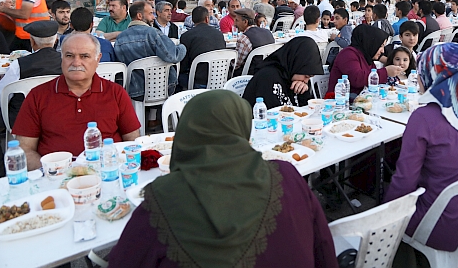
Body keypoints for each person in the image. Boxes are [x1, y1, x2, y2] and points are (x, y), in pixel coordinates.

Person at [108, 90, 337, 268]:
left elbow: (125, 260)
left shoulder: (163, 199)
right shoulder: (286, 176)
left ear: (187, 134)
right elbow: (324, 250)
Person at [386, 43, 458, 262]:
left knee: (386, 209)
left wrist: (382, 217)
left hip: (441, 223)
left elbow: (403, 183)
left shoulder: (424, 118)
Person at [13, 33, 141, 170]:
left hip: (107, 173)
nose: (76, 63)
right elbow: (24, 150)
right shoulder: (38, 95)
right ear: (61, 58)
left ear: (98, 59)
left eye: (84, 56)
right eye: (69, 56)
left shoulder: (116, 93)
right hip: (55, 178)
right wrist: (51, 172)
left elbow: (132, 141)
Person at [114, 2, 186, 100]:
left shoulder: (120, 38)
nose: (153, 17)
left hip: (133, 90)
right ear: (140, 16)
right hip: (162, 87)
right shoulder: (153, 33)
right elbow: (173, 56)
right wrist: (182, 46)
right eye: (151, 13)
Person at [0, 20, 62, 128]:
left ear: (32, 41)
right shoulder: (67, 61)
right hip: (59, 116)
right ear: (56, 40)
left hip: (22, 120)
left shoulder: (19, 64)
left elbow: (1, 97)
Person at [243, 37, 323, 109]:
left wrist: (304, 92)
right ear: (296, 64)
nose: (306, 81)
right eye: (306, 76)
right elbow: (274, 115)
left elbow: (305, 109)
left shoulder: (292, 76)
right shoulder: (268, 77)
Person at [325, 25, 402, 98]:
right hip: (340, 101)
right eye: (381, 46)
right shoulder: (348, 54)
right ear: (371, 43)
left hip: (360, 100)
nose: (383, 51)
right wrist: (386, 72)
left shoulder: (367, 57)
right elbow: (357, 79)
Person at [178, 6, 226, 90]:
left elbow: (183, 64)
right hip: (220, 78)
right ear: (207, 19)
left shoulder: (186, 36)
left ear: (192, 20)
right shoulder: (219, 34)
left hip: (197, 81)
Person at [233, 8, 275, 76]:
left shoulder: (244, 38)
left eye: (237, 20)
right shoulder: (268, 33)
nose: (234, 23)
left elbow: (236, 64)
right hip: (268, 72)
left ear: (245, 22)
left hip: (248, 75)